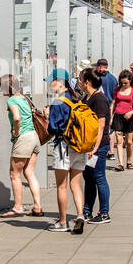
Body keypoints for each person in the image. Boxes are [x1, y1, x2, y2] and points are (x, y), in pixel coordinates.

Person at [45, 68, 88, 234]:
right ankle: (80, 215)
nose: (51, 84)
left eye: (52, 81)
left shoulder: (58, 102)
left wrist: (48, 115)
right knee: (76, 184)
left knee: (61, 186)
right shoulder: (76, 98)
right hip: (79, 146)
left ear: (59, 82)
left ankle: (63, 222)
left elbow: (52, 129)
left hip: (64, 147)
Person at [0, 74, 42, 218]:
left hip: (23, 139)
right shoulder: (25, 97)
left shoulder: (12, 100)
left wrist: (15, 132)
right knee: (29, 173)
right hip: (34, 137)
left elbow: (16, 118)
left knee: (14, 174)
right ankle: (37, 206)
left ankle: (18, 207)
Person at [78, 67, 112, 224]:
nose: (79, 82)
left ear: (87, 82)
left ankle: (104, 213)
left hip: (98, 146)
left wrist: (95, 148)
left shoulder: (99, 99)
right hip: (89, 146)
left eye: (80, 79)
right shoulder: (87, 97)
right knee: (89, 177)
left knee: (99, 177)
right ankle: (87, 210)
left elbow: (101, 124)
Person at [111, 70, 133, 171]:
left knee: (129, 142)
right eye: (122, 82)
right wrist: (111, 117)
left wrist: (131, 112)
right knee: (119, 141)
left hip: (129, 117)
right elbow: (113, 104)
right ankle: (120, 164)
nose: (123, 84)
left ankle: (129, 161)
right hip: (118, 116)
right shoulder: (117, 90)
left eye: (126, 83)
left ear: (130, 81)